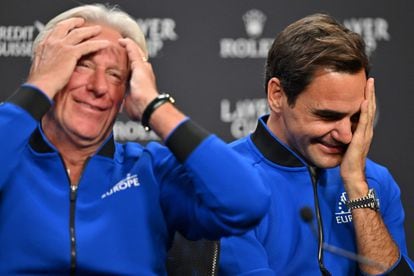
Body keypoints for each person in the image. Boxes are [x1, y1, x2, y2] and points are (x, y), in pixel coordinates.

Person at [0, 4, 271, 275]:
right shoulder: (10, 156)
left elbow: (247, 202)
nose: (98, 86)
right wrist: (41, 85)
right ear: (47, 67)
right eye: (81, 65)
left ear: (127, 92)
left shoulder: (149, 169)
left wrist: (154, 106)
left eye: (115, 75)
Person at [219, 13, 414, 275]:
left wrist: (356, 186)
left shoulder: (374, 181)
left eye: (356, 117)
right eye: (327, 116)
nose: (346, 135)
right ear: (277, 96)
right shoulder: (224, 179)